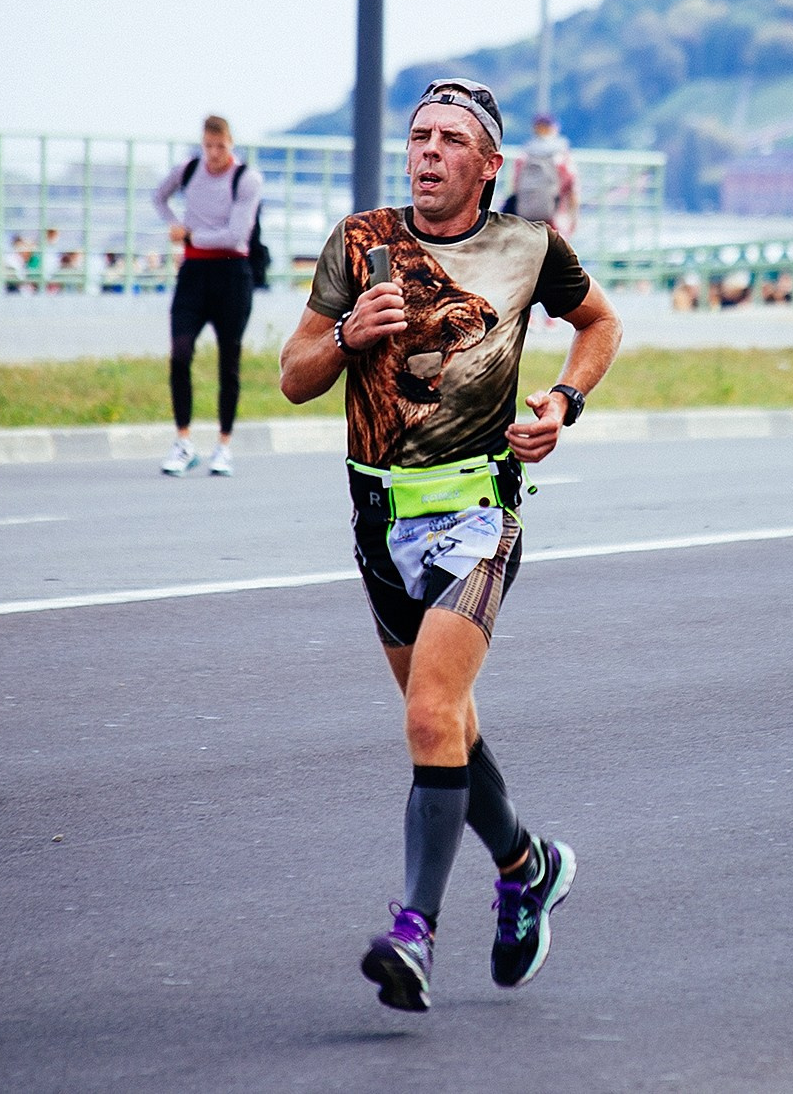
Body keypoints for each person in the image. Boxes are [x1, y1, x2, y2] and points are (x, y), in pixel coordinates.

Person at [279, 77, 622, 1012]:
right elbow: (293, 375)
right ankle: (527, 865)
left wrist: (561, 402)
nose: (426, 151)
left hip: (477, 511)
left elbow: (600, 323)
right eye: (419, 135)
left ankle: (415, 931)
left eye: (448, 140)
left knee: (431, 713)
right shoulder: (360, 242)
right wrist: (348, 334)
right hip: (377, 517)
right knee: (451, 725)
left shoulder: (527, 247)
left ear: (488, 164)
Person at [152, 116, 264, 477]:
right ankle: (183, 441)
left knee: (228, 360)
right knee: (180, 352)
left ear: (231, 144)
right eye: (208, 146)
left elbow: (235, 234)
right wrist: (174, 223)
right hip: (193, 274)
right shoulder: (188, 170)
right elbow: (158, 195)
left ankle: (224, 445)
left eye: (221, 147)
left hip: (233, 274)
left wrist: (192, 235)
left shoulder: (246, 179)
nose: (214, 154)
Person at [503, 113, 580, 236]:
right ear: (555, 128)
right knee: (555, 251)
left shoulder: (524, 155)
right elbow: (572, 191)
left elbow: (515, 188)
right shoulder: (562, 157)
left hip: (526, 218)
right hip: (555, 218)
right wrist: (573, 220)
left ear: (535, 129)